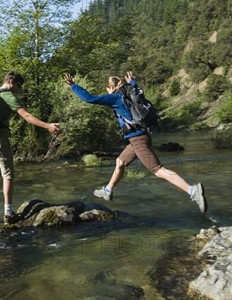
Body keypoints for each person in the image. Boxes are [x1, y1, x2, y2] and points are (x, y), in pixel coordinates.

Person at [64, 72, 207, 213]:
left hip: (137, 140)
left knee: (158, 170)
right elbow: (138, 98)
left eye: (106, 88)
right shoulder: (131, 94)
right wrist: (132, 82)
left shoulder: (115, 97)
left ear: (109, 87)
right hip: (139, 138)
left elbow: (90, 99)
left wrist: (73, 86)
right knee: (120, 162)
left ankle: (192, 191)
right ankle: (108, 190)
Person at [0, 71, 60, 223]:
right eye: (18, 85)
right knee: (7, 174)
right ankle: (9, 213)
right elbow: (27, 116)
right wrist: (47, 126)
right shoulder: (8, 95)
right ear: (11, 81)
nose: (19, 88)